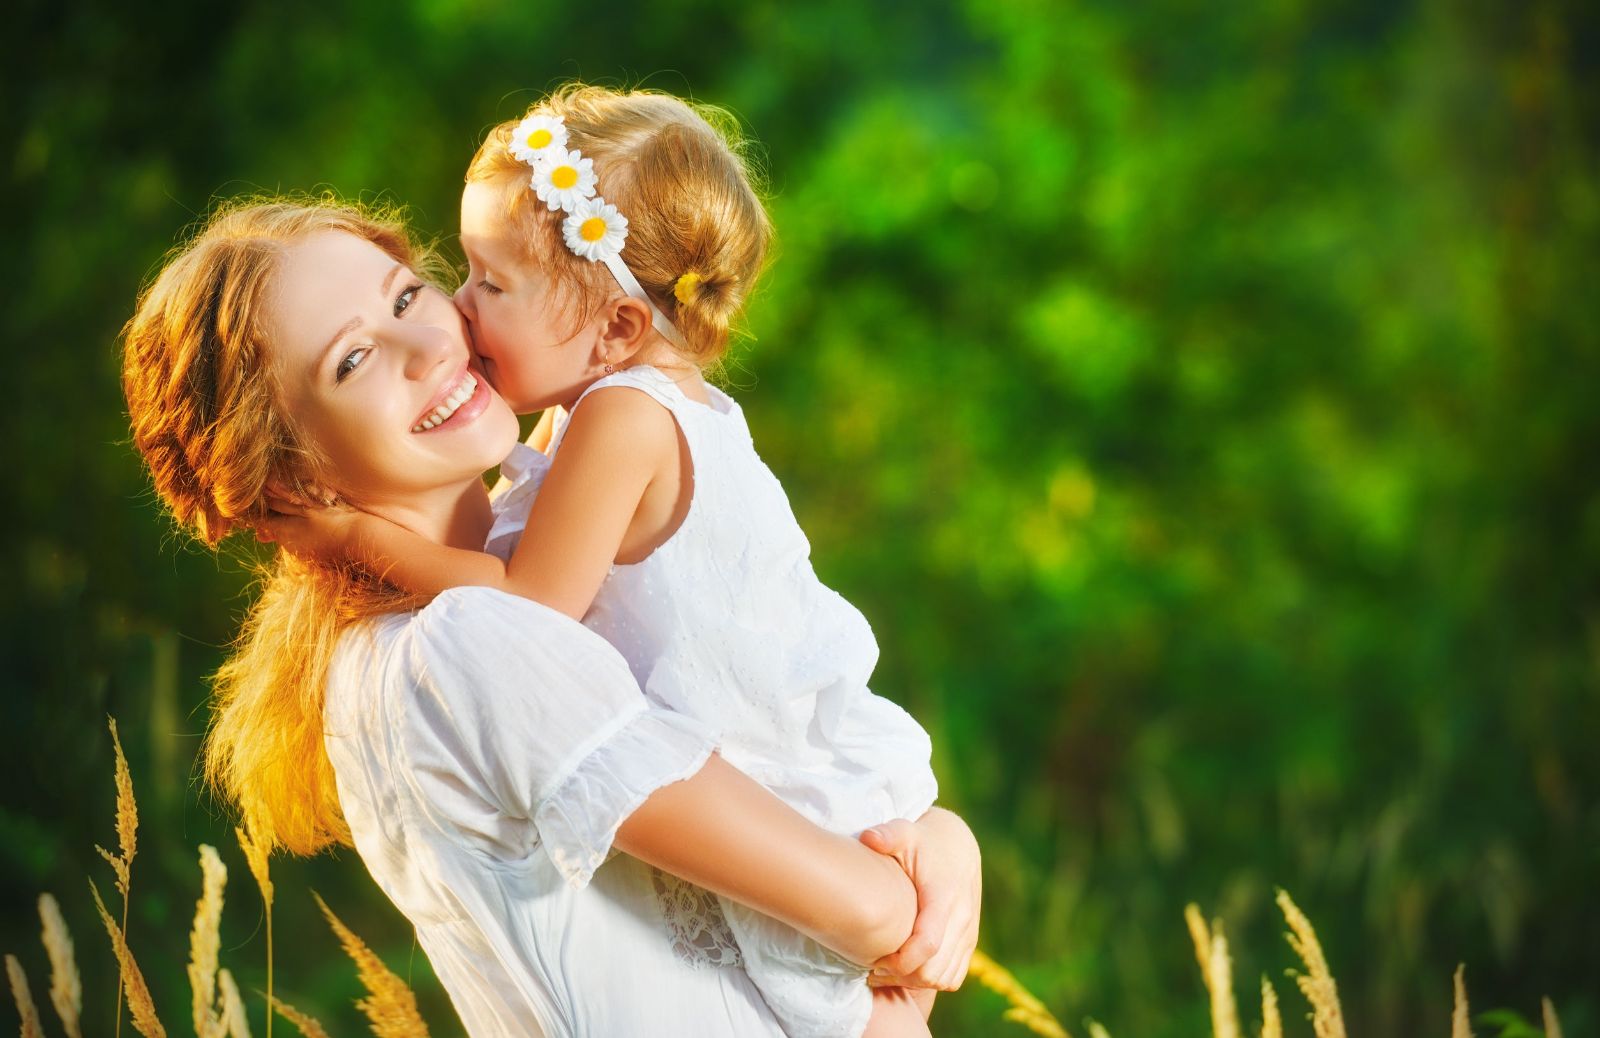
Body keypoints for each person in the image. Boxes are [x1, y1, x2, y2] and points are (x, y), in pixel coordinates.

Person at [121, 198, 981, 1038]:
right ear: (294, 482)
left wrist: (936, 837)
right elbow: (876, 920)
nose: (425, 345)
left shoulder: (479, 589)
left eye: (407, 294)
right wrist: (936, 854)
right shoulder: (466, 642)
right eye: (353, 361)